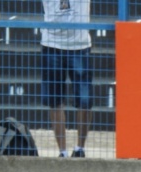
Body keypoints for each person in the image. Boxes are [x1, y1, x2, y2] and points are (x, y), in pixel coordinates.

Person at [41, 0, 93, 158]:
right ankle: (62, 151)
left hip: (80, 44)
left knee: (84, 100)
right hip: (51, 43)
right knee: (55, 101)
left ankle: (80, 148)